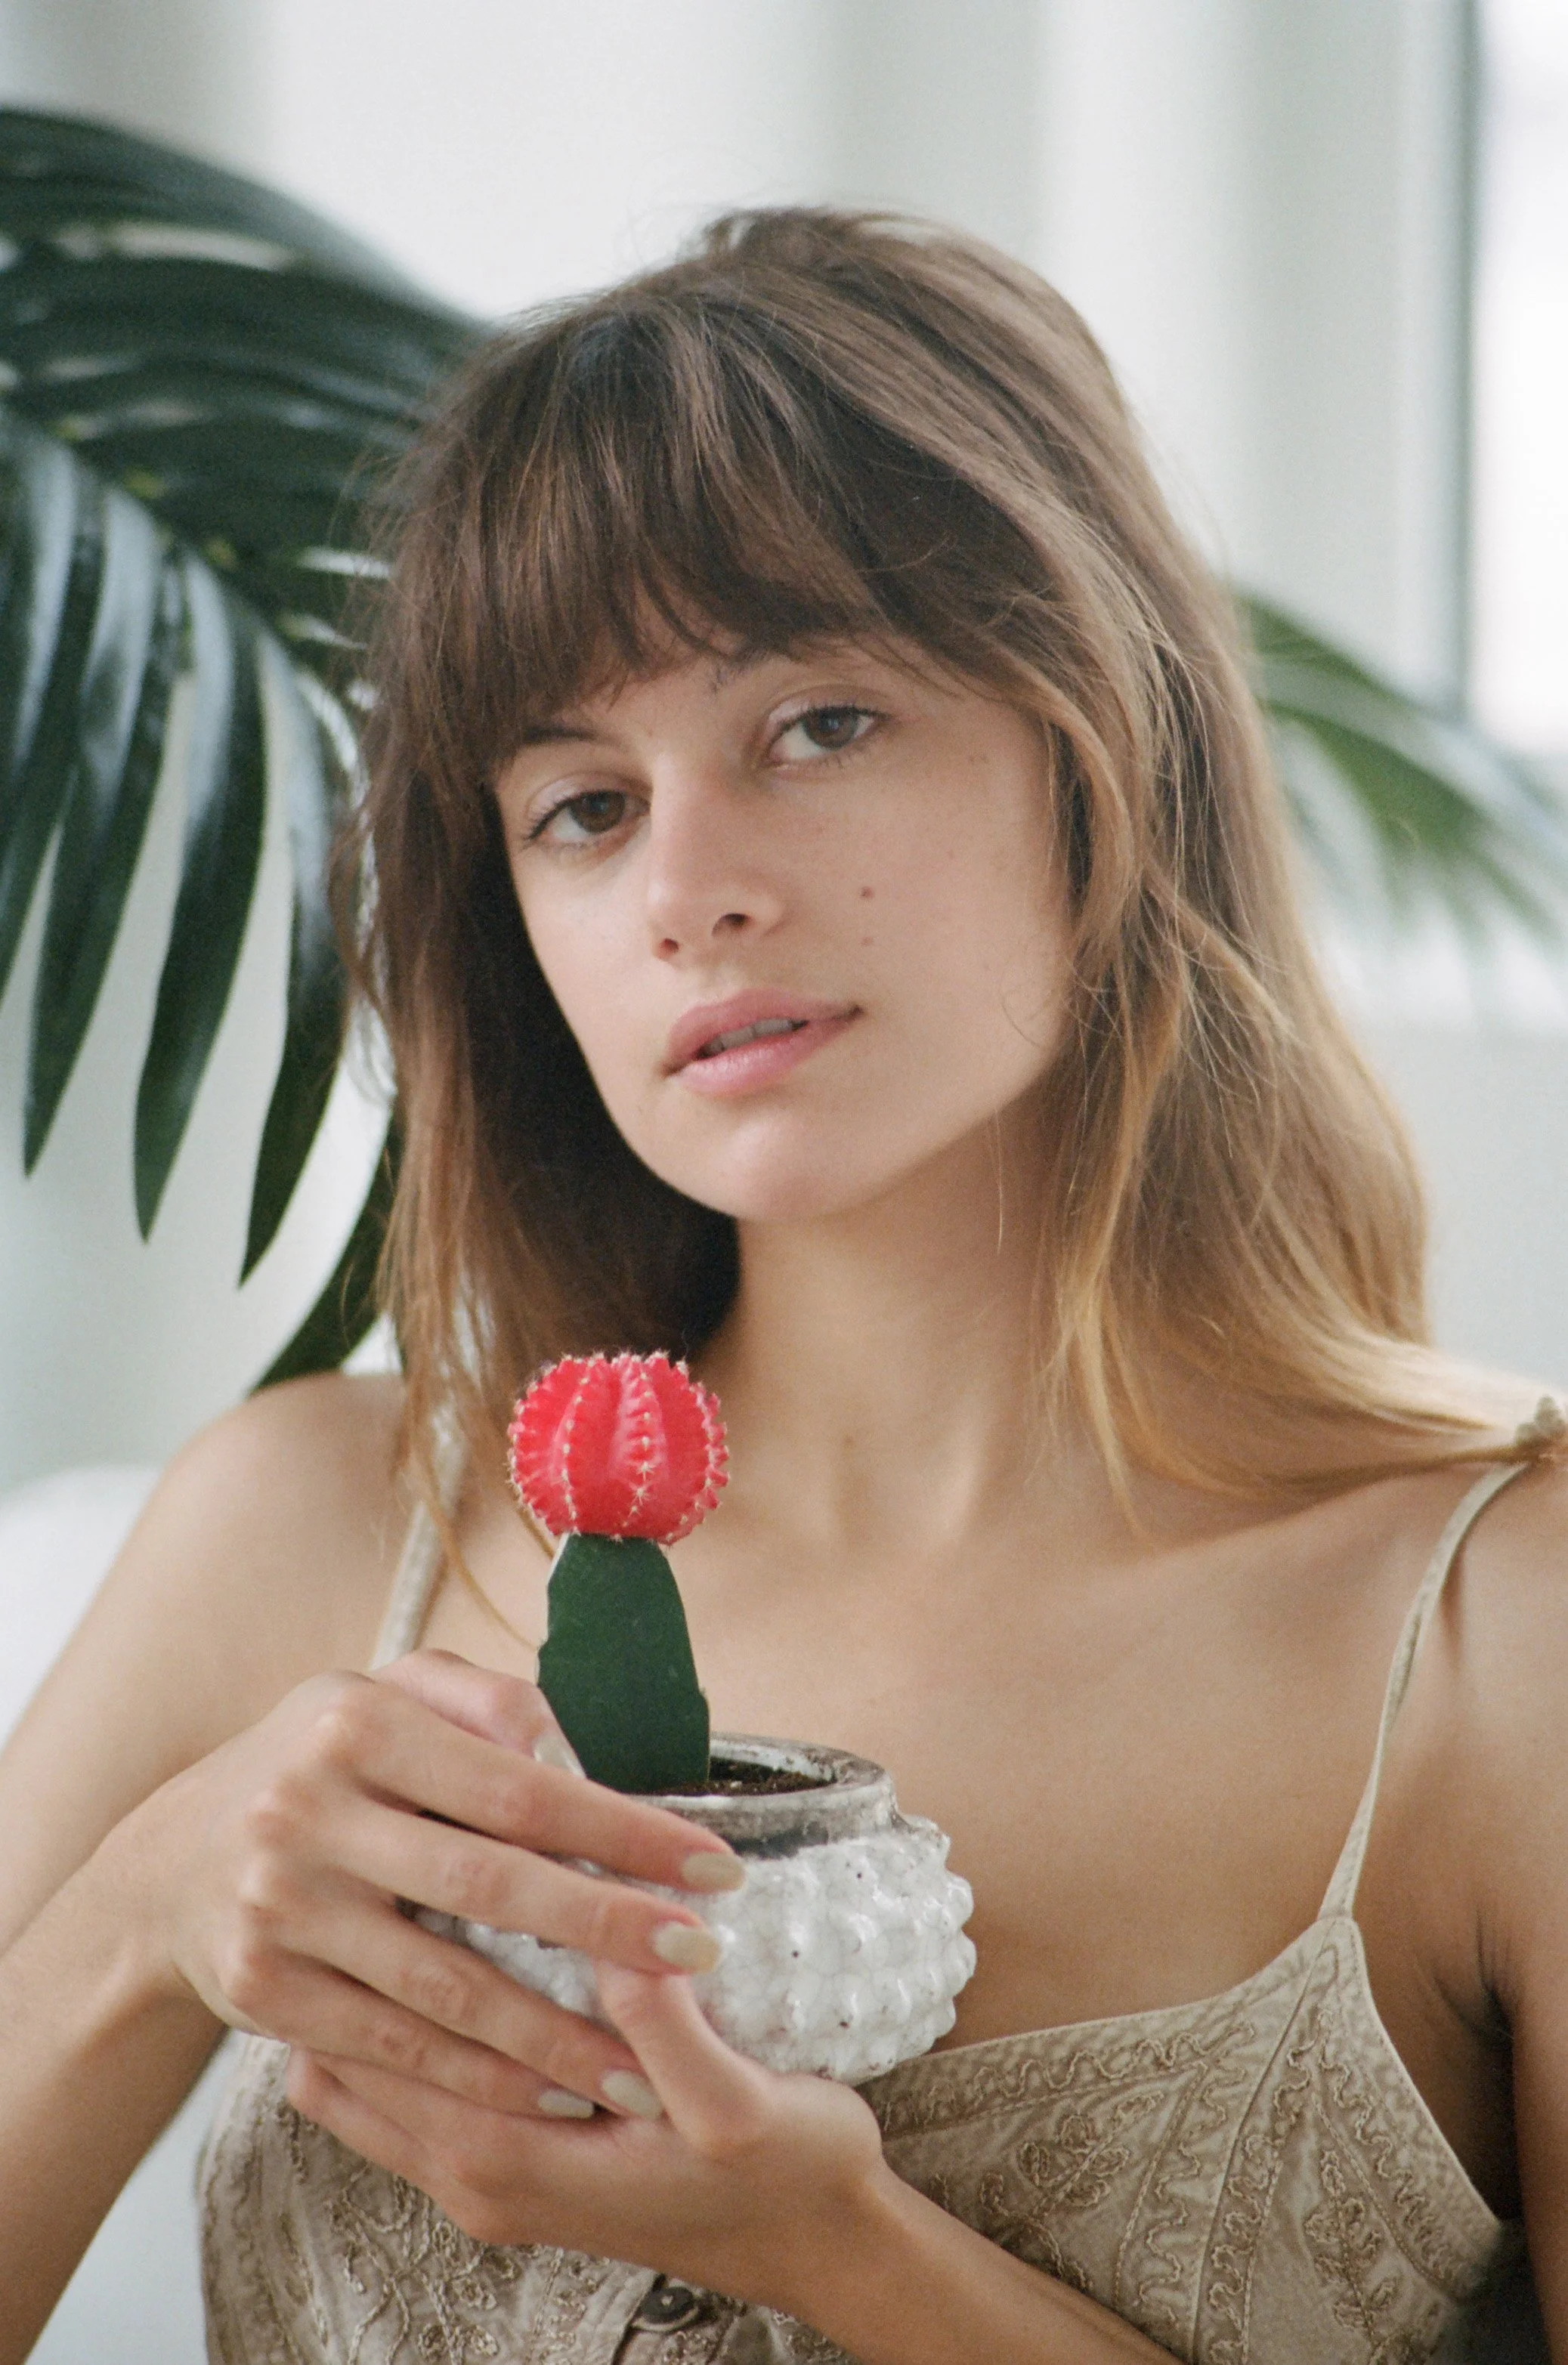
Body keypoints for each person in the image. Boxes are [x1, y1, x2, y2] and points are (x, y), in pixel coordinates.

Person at [1, 206, 1563, 2365]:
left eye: (820, 723)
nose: (686, 891)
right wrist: (134, 1922)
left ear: (1105, 757)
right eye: (578, 804)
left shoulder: (1503, 1644)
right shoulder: (299, 1537)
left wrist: (852, 2259)